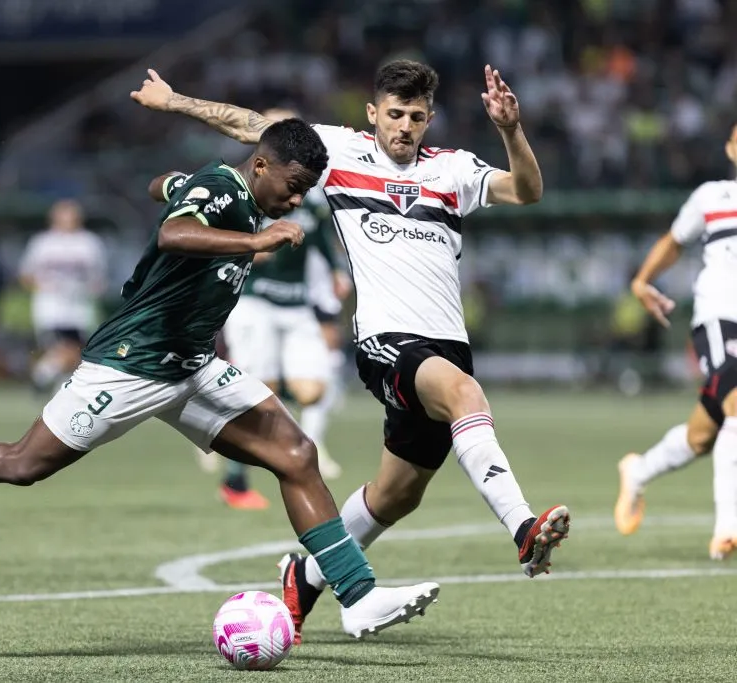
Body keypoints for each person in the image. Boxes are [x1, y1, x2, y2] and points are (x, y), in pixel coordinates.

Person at [0, 118, 440, 639]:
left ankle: (358, 597)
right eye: (291, 187)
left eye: (304, 192)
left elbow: (162, 187)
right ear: (259, 165)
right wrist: (252, 240)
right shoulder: (228, 194)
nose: (294, 201)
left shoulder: (223, 188)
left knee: (295, 453)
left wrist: (171, 184)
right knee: (23, 463)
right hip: (131, 363)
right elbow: (173, 234)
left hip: (193, 366)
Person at [131, 60, 570, 642]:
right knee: (465, 395)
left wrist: (511, 129)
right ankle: (522, 530)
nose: (405, 126)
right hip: (386, 341)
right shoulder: (339, 151)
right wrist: (176, 100)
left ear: (429, 118)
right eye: (394, 114)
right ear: (373, 113)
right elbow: (254, 128)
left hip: (446, 343)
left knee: (397, 494)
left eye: (416, 116)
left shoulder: (455, 170)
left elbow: (527, 191)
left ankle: (305, 575)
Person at [206, 107, 349, 510]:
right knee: (260, 391)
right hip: (255, 302)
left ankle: (222, 411)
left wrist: (337, 269)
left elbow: (320, 234)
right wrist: (249, 248)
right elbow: (211, 236)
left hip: (297, 303)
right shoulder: (246, 184)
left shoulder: (309, 188)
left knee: (312, 388)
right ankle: (235, 482)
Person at [615, 120, 737, 560]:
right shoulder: (712, 197)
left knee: (704, 435)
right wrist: (643, 281)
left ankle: (638, 470)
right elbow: (674, 241)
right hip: (723, 319)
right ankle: (728, 528)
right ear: (730, 147)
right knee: (735, 403)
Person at [18, 199, 107, 394]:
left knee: (77, 352)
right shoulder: (42, 243)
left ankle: (52, 383)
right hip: (51, 306)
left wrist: (92, 289)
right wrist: (45, 285)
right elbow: (26, 276)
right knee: (63, 348)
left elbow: (98, 278)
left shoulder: (89, 243)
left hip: (79, 308)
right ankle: (43, 376)